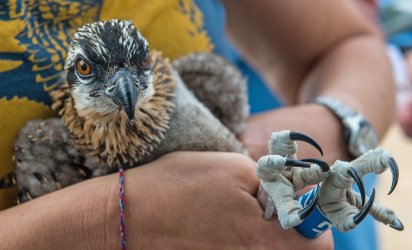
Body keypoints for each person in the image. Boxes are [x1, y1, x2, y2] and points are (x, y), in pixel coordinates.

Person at [0, 0, 394, 249]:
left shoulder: (200, 82)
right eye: (89, 70)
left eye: (135, 66)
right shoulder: (46, 146)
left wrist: (328, 129)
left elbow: (343, 46)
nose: (123, 87)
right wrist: (117, 219)